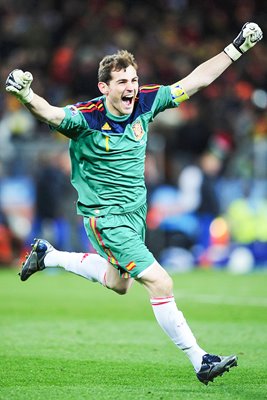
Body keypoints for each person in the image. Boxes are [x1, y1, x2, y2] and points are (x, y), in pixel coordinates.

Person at [5, 22, 262, 385]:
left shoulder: (146, 101)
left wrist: (235, 48)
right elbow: (51, 113)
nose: (131, 88)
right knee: (161, 282)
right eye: (123, 82)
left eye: (134, 80)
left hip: (134, 214)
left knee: (118, 283)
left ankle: (49, 256)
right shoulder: (87, 118)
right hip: (105, 217)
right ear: (104, 87)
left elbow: (197, 80)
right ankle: (200, 359)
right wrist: (28, 96)